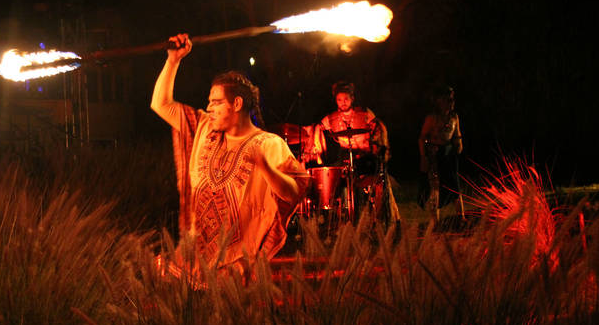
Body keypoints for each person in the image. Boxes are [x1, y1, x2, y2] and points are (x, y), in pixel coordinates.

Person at [150, 33, 309, 271]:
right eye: (209, 102)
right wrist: (173, 60)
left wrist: (265, 167)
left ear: (236, 104)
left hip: (235, 266)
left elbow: (294, 192)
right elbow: (160, 104)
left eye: (216, 102)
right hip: (192, 258)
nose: (209, 108)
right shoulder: (203, 127)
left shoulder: (269, 144)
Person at [312, 81, 400, 224]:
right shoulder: (332, 117)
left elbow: (379, 126)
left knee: (378, 180)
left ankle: (379, 217)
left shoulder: (364, 112)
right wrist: (318, 151)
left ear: (352, 98)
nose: (343, 103)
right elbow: (318, 127)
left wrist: (378, 146)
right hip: (346, 157)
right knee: (333, 176)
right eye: (339, 100)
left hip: (366, 158)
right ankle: (341, 216)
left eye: (346, 99)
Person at [417, 85, 465, 223]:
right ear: (440, 101)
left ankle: (461, 216)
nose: (450, 103)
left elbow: (457, 134)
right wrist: (423, 156)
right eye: (447, 100)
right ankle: (435, 221)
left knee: (455, 184)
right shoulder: (432, 118)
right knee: (435, 187)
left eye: (452, 100)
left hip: (449, 155)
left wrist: (459, 144)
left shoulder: (454, 118)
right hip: (434, 155)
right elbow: (421, 137)